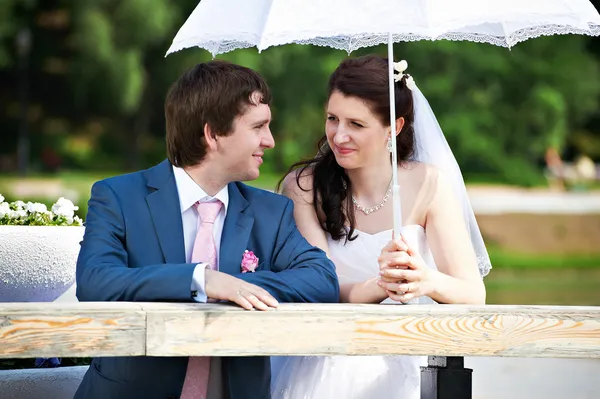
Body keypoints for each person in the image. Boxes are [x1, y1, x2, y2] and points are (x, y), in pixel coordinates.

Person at [73, 60, 340, 399]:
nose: (270, 140)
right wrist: (200, 280)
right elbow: (95, 279)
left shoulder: (271, 211)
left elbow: (321, 279)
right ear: (213, 133)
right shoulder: (118, 197)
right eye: (258, 127)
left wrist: (233, 285)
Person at [271, 55, 491, 399]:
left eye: (356, 124)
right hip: (327, 361)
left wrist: (423, 279)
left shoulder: (429, 184)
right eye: (332, 119)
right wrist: (381, 285)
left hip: (406, 362)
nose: (338, 135)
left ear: (394, 128)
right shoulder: (304, 186)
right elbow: (318, 285)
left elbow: (473, 294)